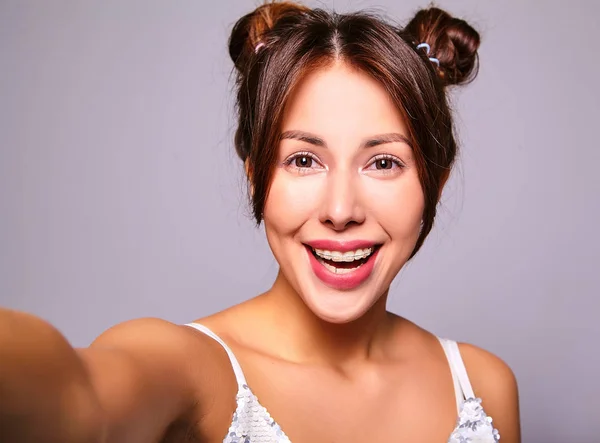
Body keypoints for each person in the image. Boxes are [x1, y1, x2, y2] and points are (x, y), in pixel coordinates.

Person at [0, 2, 521, 442]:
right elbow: (78, 396)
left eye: (383, 162)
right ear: (255, 176)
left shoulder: (485, 387)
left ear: (436, 181)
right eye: (303, 160)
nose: (341, 210)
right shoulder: (191, 370)